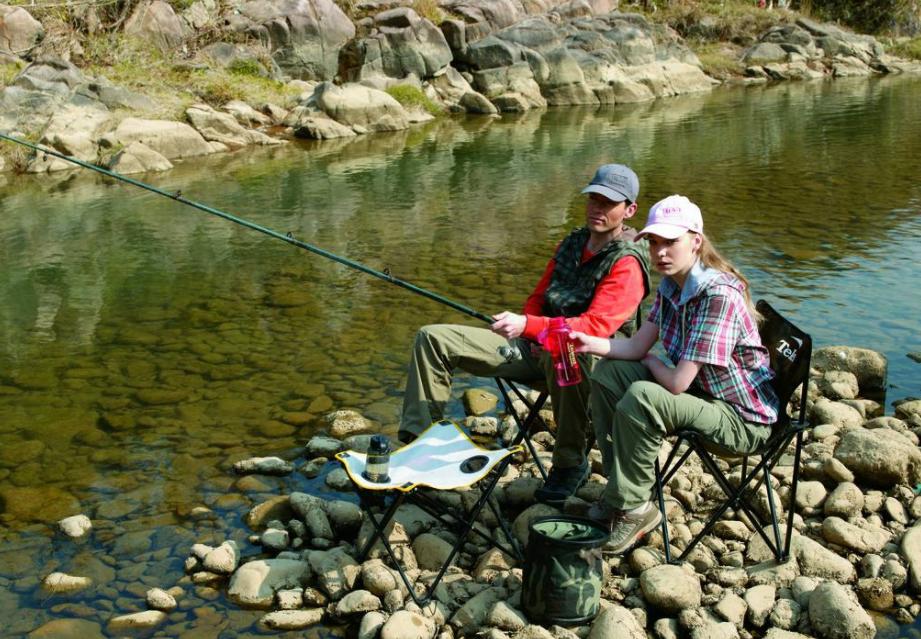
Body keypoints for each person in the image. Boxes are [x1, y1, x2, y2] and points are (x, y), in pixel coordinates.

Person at [399, 164, 652, 505]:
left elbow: (595, 328)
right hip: (536, 347)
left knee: (561, 349)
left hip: (591, 364)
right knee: (433, 338)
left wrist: (533, 330)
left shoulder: (628, 263)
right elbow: (538, 297)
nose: (597, 208)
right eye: (593, 198)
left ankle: (570, 462)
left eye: (608, 203)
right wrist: (530, 329)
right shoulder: (572, 242)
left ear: (629, 210)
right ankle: (420, 443)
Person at [570, 194, 779, 554]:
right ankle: (620, 490)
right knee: (609, 373)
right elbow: (635, 348)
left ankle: (636, 508)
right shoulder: (672, 284)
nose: (660, 252)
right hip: (701, 397)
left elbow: (677, 382)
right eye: (653, 242)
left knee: (644, 396)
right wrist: (588, 342)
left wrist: (652, 364)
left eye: (671, 242)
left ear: (696, 241)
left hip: (740, 420)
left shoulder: (718, 296)